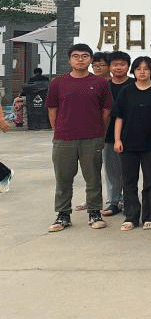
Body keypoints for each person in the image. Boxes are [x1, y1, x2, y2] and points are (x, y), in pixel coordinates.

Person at [46, 43, 113, 232]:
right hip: (64, 138)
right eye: (76, 56)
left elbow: (106, 110)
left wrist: (98, 130)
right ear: (69, 60)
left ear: (90, 60)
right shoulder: (58, 83)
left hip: (92, 138)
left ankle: (94, 213)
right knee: (63, 178)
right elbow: (52, 109)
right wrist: (58, 130)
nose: (80, 59)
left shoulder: (100, 83)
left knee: (93, 178)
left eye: (85, 56)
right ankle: (63, 214)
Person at [112, 56, 151, 230]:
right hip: (128, 143)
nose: (142, 72)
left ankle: (150, 215)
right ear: (133, 71)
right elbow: (119, 117)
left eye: (146, 69)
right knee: (129, 182)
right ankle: (131, 216)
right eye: (138, 69)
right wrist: (117, 140)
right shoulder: (126, 91)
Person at [101, 50, 133, 218]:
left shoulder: (135, 84)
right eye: (115, 64)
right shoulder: (103, 86)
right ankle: (114, 202)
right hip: (108, 134)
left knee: (130, 171)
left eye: (122, 64)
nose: (118, 67)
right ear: (109, 67)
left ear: (128, 66)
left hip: (133, 134)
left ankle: (129, 202)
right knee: (112, 171)